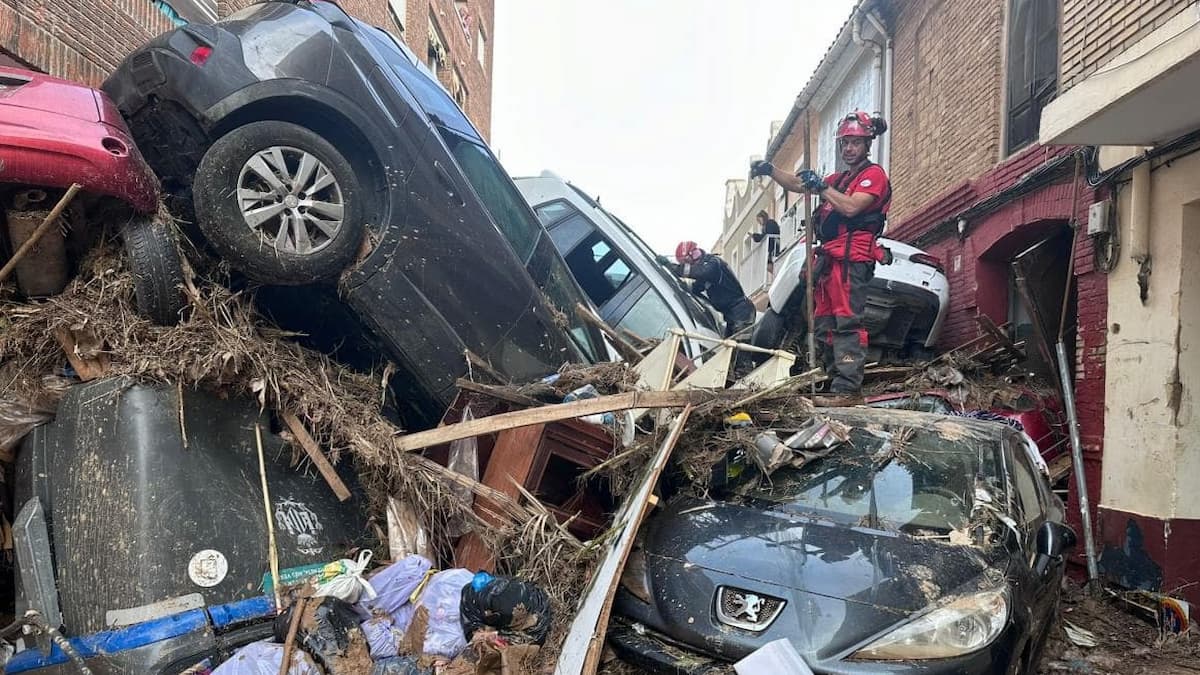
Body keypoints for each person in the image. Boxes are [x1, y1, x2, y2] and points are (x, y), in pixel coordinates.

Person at [748, 111, 892, 397]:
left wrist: (822, 187)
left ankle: (847, 388)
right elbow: (797, 184)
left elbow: (851, 208)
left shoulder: (873, 176)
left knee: (847, 321)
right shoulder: (839, 179)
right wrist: (770, 170)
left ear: (867, 145)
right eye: (844, 143)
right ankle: (831, 380)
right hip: (830, 260)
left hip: (852, 259)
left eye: (855, 142)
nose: (848, 148)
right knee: (826, 323)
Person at [656, 242, 755, 338]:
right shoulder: (706, 272)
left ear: (691, 256)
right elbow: (695, 288)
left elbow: (700, 272)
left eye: (686, 262)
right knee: (730, 351)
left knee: (740, 351)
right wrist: (677, 283)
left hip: (741, 312)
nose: (687, 265)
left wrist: (671, 266)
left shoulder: (713, 263)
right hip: (732, 315)